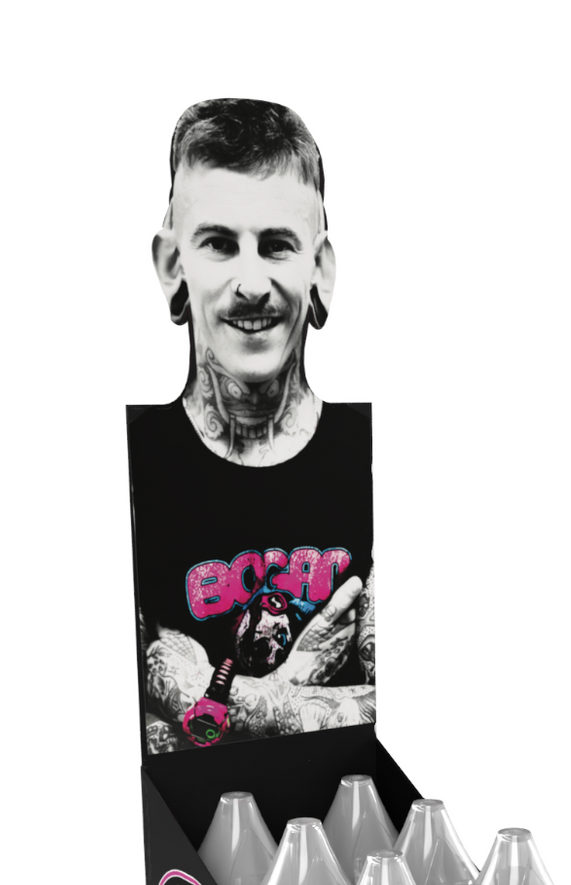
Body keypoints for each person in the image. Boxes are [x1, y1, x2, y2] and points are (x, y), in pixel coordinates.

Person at [128, 98, 375, 752]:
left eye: (276, 246)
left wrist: (229, 703)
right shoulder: (125, 472)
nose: (252, 284)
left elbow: (425, 708)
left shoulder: (381, 461)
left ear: (319, 270)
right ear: (173, 266)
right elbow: (135, 728)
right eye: (219, 244)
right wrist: (298, 692)